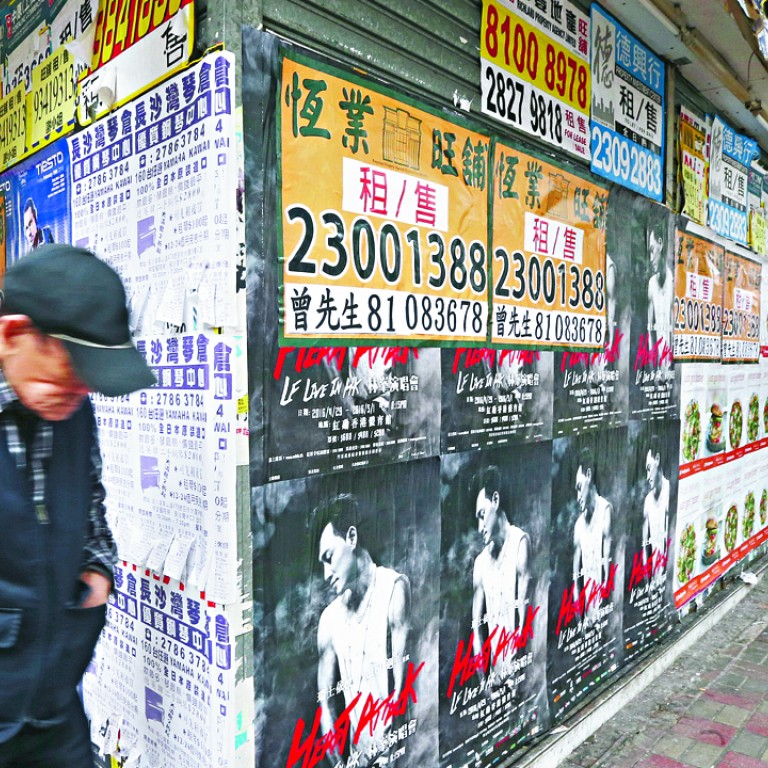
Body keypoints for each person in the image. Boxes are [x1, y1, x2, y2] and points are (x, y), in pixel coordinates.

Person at [0, 244, 155, 766]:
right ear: (14, 335)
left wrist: (97, 572)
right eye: (70, 376)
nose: (78, 396)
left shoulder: (71, 407)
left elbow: (92, 505)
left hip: (53, 711)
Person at [313, 494, 411, 767]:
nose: (325, 574)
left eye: (329, 557)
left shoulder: (394, 589)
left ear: (352, 538)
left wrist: (387, 751)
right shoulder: (329, 620)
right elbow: (326, 710)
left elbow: (401, 690)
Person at [472, 465, 530, 689]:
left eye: (482, 515)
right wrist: (483, 680)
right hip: (496, 681)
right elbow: (476, 628)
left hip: (521, 676)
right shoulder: (480, 564)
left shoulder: (520, 544)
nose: (479, 527)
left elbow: (525, 615)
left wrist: (514, 667)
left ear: (495, 500)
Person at [572, 447, 613, 629]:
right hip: (587, 618)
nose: (578, 496)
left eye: (579, 487)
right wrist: (580, 620)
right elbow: (576, 579)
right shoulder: (579, 525)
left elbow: (610, 564)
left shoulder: (606, 511)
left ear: (589, 475)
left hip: (606, 612)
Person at [643, 435, 670, 590]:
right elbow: (644, 545)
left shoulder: (669, 491)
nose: (647, 477)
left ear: (658, 459)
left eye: (649, 468)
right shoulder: (647, 501)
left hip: (668, 580)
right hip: (654, 582)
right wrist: (648, 581)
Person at [646, 216, 673, 358]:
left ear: (660, 244)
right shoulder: (651, 284)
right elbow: (649, 327)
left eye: (652, 250)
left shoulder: (673, 282)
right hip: (657, 367)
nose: (651, 258)